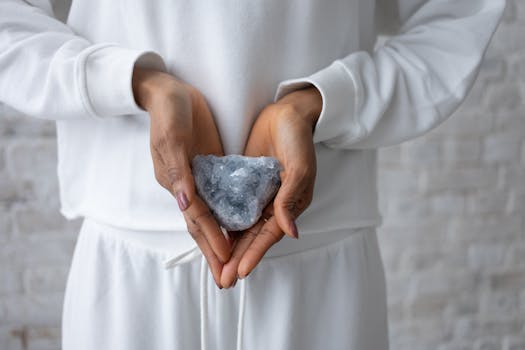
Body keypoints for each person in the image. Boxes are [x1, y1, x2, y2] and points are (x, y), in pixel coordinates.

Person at [0, 0, 505, 349]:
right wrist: (132, 82)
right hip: (129, 275)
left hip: (318, 271)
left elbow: (458, 16)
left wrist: (323, 102)